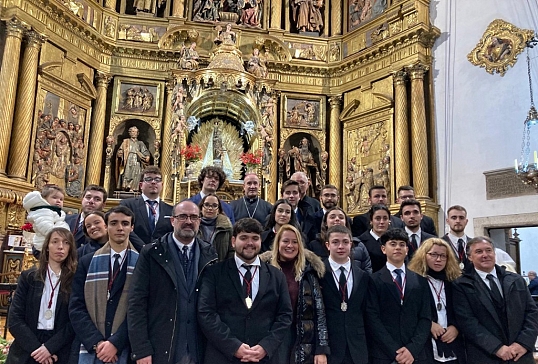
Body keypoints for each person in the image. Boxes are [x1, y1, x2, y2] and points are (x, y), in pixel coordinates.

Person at [128, 200, 218, 364]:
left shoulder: (209, 253)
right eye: (183, 216)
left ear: (199, 221)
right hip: (162, 343)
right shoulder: (152, 253)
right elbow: (136, 303)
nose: (188, 221)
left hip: (198, 346)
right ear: (172, 220)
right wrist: (141, 349)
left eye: (193, 217)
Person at [197, 218, 293, 364]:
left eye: (255, 238)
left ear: (261, 241)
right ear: (233, 241)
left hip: (264, 357)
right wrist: (233, 346)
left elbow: (285, 315)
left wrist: (265, 347)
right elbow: (206, 313)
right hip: (223, 355)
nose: (250, 243)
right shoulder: (214, 273)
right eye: (244, 238)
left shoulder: (276, 275)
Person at [69, 206, 140, 364]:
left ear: (132, 227)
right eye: (114, 223)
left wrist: (116, 343)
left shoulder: (143, 264)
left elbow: (143, 309)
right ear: (106, 227)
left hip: (127, 348)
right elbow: (76, 306)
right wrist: (97, 343)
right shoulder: (86, 262)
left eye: (125, 223)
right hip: (91, 345)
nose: (120, 228)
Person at [453, 236, 538, 364]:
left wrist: (523, 343)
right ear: (470, 257)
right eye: (479, 252)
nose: (485, 255)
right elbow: (467, 322)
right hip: (486, 355)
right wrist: (497, 348)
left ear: (494, 253)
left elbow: (532, 312)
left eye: (488, 250)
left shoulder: (516, 280)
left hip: (520, 355)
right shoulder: (462, 285)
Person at [260, 224, 330, 363]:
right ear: (277, 242)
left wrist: (321, 349)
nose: (290, 245)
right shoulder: (263, 269)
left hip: (301, 338)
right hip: (270, 338)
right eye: (285, 241)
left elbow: (319, 312)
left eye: (294, 241)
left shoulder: (309, 271)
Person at [6, 227, 77, 364]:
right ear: (47, 247)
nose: (60, 247)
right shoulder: (29, 277)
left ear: (71, 249)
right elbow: (15, 319)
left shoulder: (75, 280)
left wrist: (49, 348)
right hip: (28, 345)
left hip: (58, 348)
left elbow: (74, 321)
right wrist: (37, 349)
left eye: (66, 242)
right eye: (55, 241)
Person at [366, 228, 432, 364]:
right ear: (383, 249)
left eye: (402, 244)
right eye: (393, 244)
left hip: (415, 354)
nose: (398, 248)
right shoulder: (373, 280)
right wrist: (394, 350)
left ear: (407, 249)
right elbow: (372, 319)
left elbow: (425, 317)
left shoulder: (420, 280)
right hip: (385, 354)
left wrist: (412, 349)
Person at [408, 238, 466, 363]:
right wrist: (428, 324)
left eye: (442, 256)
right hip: (425, 346)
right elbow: (409, 312)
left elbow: (464, 311)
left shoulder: (455, 282)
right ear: (424, 256)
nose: (438, 259)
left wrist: (456, 327)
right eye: (433, 254)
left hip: (454, 345)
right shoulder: (414, 282)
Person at [319, 225, 370, 364]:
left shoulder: (362, 276)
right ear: (328, 245)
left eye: (345, 242)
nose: (341, 246)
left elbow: (366, 312)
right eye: (335, 242)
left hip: (357, 347)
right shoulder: (318, 273)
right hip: (330, 346)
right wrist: (320, 348)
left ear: (351, 244)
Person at [120, 166, 173, 250]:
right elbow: (125, 228)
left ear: (162, 185)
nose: (153, 182)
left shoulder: (170, 210)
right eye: (148, 179)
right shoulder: (127, 205)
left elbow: (172, 234)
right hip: (134, 252)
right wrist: (144, 248)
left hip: (162, 255)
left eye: (157, 179)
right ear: (141, 185)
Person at [309, 207, 372, 274]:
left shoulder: (359, 245)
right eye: (332, 217)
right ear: (325, 223)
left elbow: (367, 271)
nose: (337, 219)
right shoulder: (314, 245)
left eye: (341, 217)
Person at [23, 184, 70, 253]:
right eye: (54, 197)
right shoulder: (43, 211)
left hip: (52, 245)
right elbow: (47, 229)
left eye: (61, 199)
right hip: (43, 246)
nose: (58, 201)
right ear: (44, 199)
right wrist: (63, 228)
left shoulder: (54, 212)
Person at [197, 193, 233, 261]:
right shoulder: (194, 225)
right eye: (207, 205)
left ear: (218, 210)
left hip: (220, 267)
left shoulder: (227, 227)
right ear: (201, 208)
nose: (210, 208)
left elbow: (232, 249)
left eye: (214, 205)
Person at [116, 126, 150, 192]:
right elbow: (120, 150)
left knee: (136, 174)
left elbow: (145, 151)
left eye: (136, 132)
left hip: (137, 160)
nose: (134, 133)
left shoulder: (140, 143)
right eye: (133, 132)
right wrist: (120, 153)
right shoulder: (126, 142)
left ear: (138, 133)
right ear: (130, 133)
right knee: (127, 173)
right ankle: (126, 187)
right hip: (128, 159)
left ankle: (134, 188)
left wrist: (147, 156)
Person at [358, 204, 391, 273]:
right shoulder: (360, 242)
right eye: (378, 219)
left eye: (385, 218)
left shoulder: (395, 240)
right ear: (371, 221)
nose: (381, 222)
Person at [441, 205, 472, 270]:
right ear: (447, 221)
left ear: (466, 222)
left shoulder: (473, 244)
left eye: (461, 218)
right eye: (454, 218)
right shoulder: (440, 243)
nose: (458, 221)